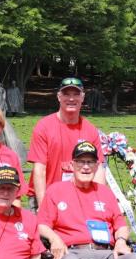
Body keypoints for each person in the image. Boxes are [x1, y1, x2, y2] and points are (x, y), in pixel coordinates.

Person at [28, 76, 105, 204]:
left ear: (82, 97)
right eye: (66, 94)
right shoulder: (44, 127)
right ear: (59, 96)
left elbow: (98, 169)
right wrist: (43, 206)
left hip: (80, 198)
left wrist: (98, 202)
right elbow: (39, 170)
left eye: (76, 94)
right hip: (48, 197)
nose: (71, 99)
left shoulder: (90, 130)